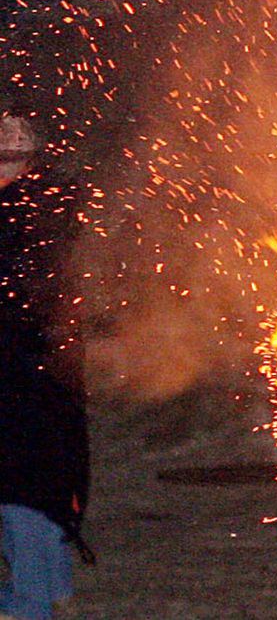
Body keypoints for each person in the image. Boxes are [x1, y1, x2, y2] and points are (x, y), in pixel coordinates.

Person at [0, 109, 88, 620]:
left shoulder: (42, 202)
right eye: (3, 128)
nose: (11, 136)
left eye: (21, 129)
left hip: (33, 370)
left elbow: (34, 288)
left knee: (23, 484)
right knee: (34, 483)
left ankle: (31, 602)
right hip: (26, 367)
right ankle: (51, 590)